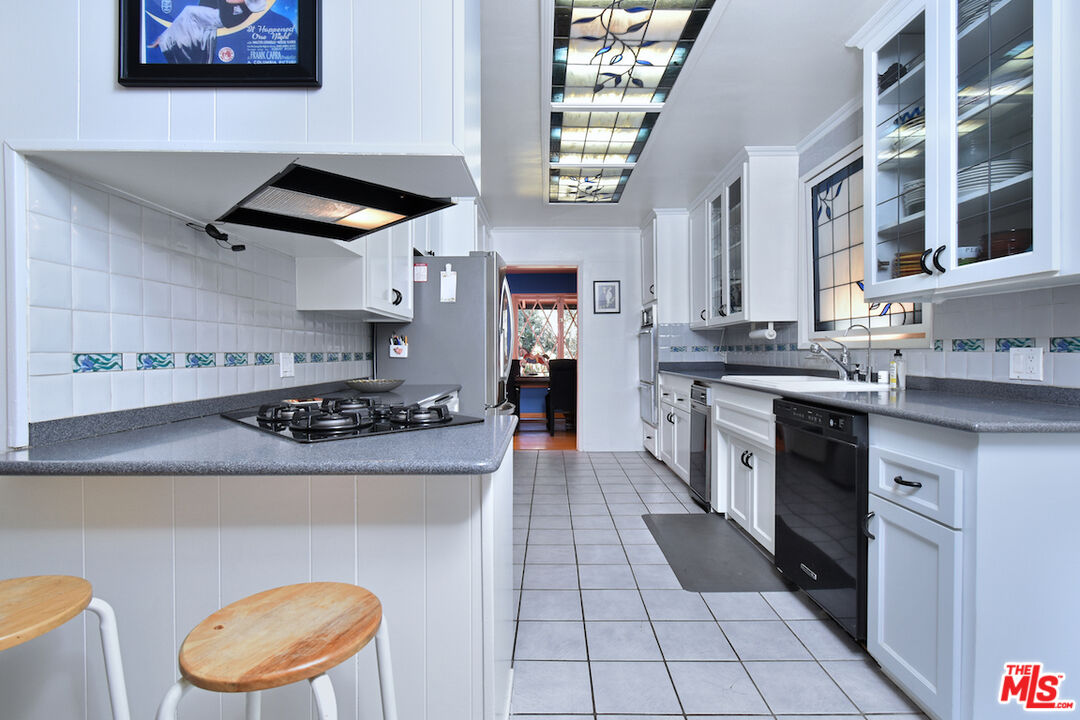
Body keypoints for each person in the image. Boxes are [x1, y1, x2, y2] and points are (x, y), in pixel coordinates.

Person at [149, 0, 268, 64]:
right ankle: (168, 40)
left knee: (189, 12)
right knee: (195, 23)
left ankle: (165, 39)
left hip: (230, 15)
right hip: (220, 10)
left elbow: (236, 1)